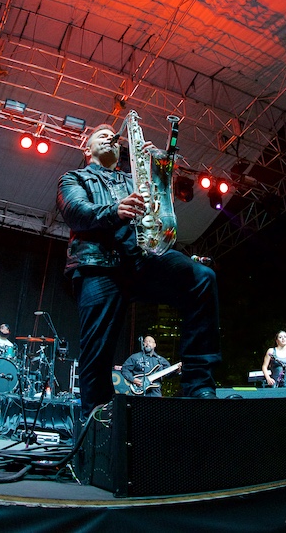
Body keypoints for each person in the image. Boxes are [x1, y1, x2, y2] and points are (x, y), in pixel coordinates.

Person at [57, 123, 221, 418]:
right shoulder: (73, 178)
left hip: (141, 258)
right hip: (99, 264)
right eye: (101, 134)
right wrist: (115, 210)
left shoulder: (132, 180)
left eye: (113, 135)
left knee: (201, 278)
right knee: (97, 348)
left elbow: (159, 212)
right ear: (87, 148)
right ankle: (96, 421)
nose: (110, 136)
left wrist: (155, 169)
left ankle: (198, 385)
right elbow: (75, 213)